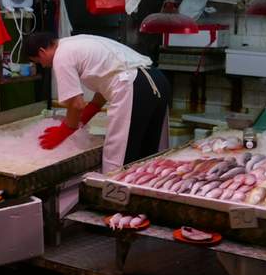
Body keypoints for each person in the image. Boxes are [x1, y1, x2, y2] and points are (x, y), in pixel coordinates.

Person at [21, 32, 171, 173]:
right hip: (157, 80)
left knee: (119, 155)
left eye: (39, 62)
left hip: (134, 85)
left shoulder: (61, 57)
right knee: (150, 152)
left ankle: (115, 198)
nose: (44, 65)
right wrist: (88, 113)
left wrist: (64, 131)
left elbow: (76, 104)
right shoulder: (76, 42)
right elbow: (106, 82)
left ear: (41, 52)